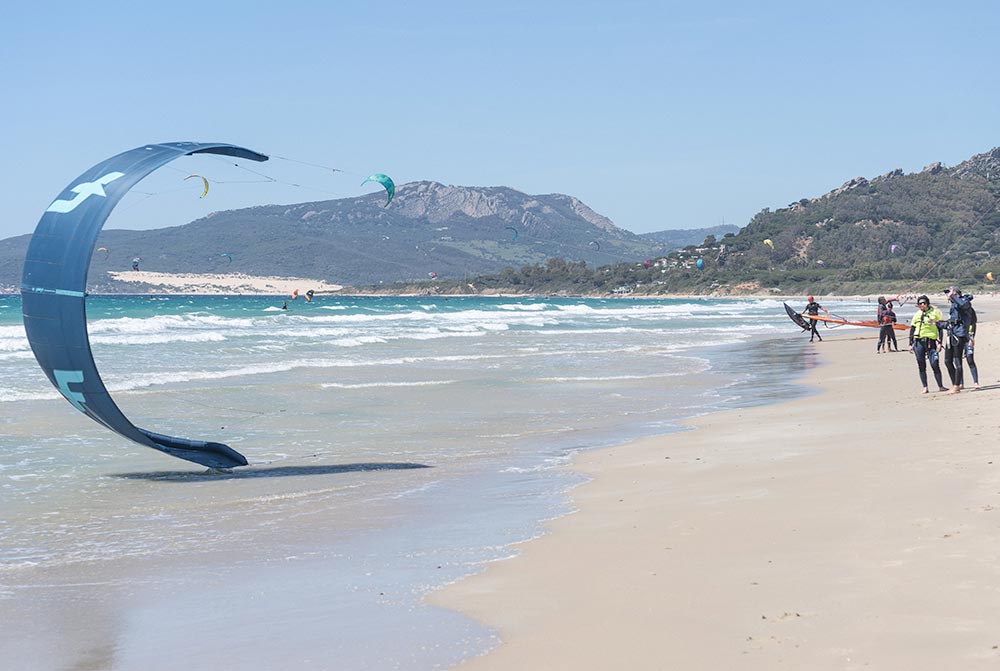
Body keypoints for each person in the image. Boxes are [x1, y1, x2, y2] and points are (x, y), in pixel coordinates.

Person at [908, 294, 947, 394]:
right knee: (921, 365)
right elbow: (912, 329)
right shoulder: (917, 314)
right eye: (920, 303)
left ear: (927, 303)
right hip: (918, 342)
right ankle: (925, 387)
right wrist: (910, 343)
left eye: (924, 303)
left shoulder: (935, 313)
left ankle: (940, 386)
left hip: (931, 341)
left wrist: (940, 343)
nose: (922, 305)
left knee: (934, 364)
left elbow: (940, 328)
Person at [943, 286, 974, 393]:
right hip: (951, 334)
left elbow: (964, 305)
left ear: (956, 293)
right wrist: (937, 323)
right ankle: (955, 384)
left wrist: (953, 295)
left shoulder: (965, 301)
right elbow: (951, 322)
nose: (947, 295)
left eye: (949, 292)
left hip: (959, 335)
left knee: (957, 361)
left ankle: (957, 386)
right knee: (947, 361)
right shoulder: (954, 305)